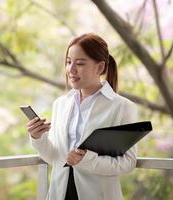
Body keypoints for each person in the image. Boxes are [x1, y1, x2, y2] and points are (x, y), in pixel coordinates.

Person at [26, 33, 138, 200]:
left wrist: (87, 160)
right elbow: (54, 158)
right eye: (69, 62)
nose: (71, 70)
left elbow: (128, 163)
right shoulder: (61, 104)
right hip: (60, 193)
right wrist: (37, 137)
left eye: (79, 63)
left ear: (100, 67)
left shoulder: (122, 107)